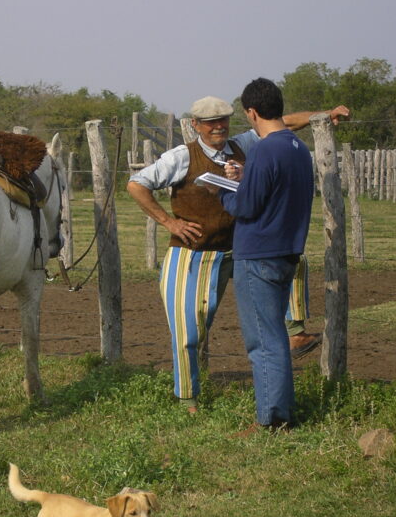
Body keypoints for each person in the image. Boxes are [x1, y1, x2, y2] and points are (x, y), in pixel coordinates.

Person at [127, 94, 348, 413]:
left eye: (223, 120)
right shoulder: (181, 156)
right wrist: (169, 222)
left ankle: (295, 332)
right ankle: (187, 397)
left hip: (239, 249)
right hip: (194, 252)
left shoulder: (244, 144)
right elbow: (137, 184)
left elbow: (283, 123)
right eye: (210, 122)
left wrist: (323, 116)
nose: (218, 126)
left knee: (294, 261)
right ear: (195, 125)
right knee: (188, 329)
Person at [219, 77, 315, 429]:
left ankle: (272, 419)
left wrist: (224, 191)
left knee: (263, 341)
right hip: (287, 250)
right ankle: (281, 410)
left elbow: (246, 206)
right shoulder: (297, 148)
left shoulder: (263, 149)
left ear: (252, 112)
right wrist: (248, 175)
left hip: (258, 254)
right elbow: (276, 189)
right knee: (275, 333)